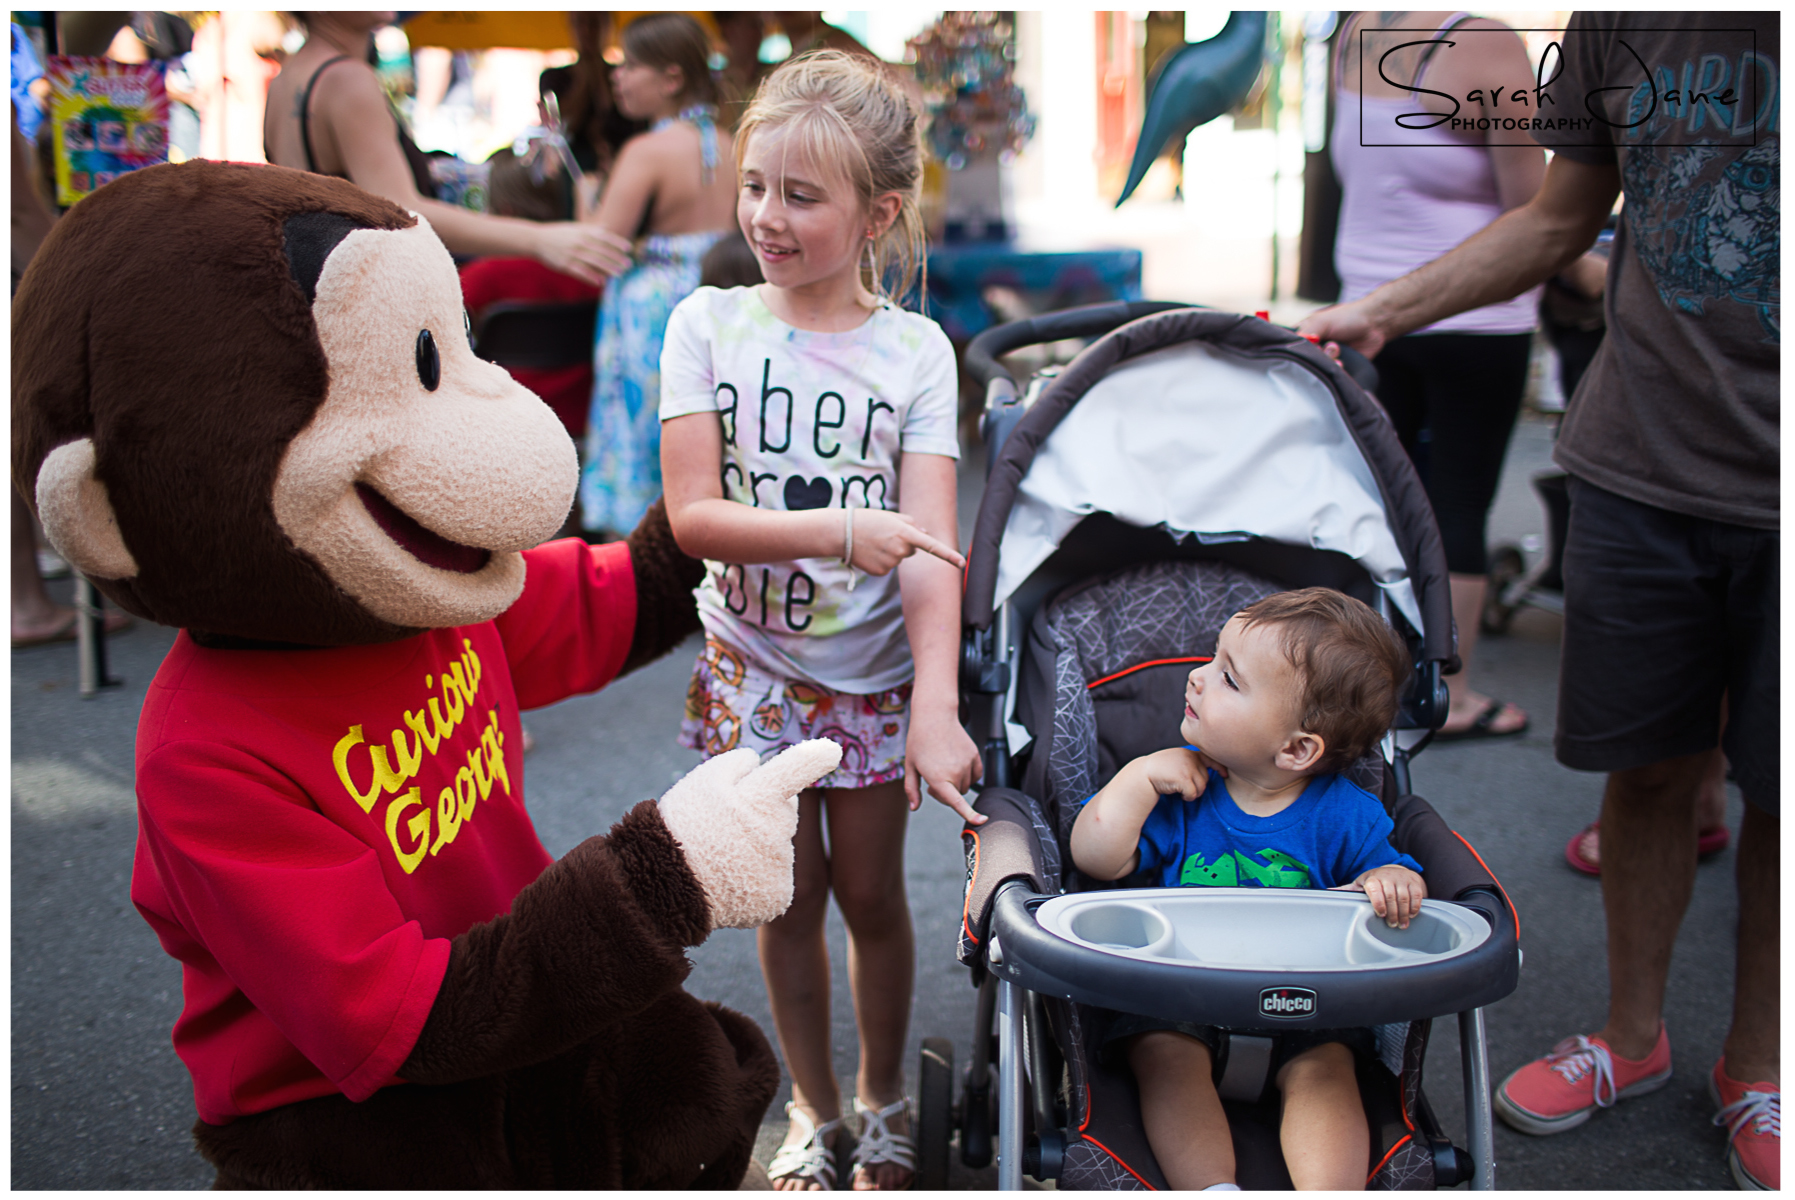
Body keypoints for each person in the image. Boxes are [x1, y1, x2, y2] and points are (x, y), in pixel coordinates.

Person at [1299, 13, 1778, 1190]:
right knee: (1654, 767)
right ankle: (1629, 1037)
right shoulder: (1625, 22)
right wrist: (1387, 308)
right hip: (1640, 459)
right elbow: (1558, 216)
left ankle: (1758, 1064)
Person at [658, 50, 983, 1190]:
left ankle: (883, 1103)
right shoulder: (707, 324)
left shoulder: (917, 353)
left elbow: (934, 552)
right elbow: (693, 515)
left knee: (869, 896)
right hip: (753, 671)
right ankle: (810, 1109)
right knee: (783, 901)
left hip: (877, 681)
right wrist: (844, 531)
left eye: (801, 195)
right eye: (755, 186)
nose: (767, 217)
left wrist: (936, 709)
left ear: (877, 212)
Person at [1071, 589, 1421, 1190]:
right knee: (1163, 1057)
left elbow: (1393, 879)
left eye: (1228, 679)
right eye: (1212, 660)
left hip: (1304, 1002)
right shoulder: (1179, 786)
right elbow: (1095, 859)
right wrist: (1135, 781)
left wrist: (1390, 880)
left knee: (1327, 1071)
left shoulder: (1345, 816)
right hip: (1180, 993)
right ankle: (1212, 1188)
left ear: (1296, 749)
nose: (1197, 677)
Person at [1332, 12, 1544, 741]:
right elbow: (1539, 214)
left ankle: (1358, 676)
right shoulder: (1485, 43)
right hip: (1473, 318)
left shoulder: (1358, 26)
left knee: (1380, 499)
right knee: (1456, 505)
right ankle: (1449, 696)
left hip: (1366, 309)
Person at [262, 12, 628, 287]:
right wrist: (543, 240)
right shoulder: (347, 78)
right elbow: (402, 209)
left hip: (317, 289)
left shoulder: (288, 79)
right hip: (360, 293)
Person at [577, 12, 739, 541]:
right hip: (725, 294)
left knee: (648, 427)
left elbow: (596, 246)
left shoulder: (646, 152)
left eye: (631, 65)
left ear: (670, 78)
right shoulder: (735, 144)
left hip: (654, 308)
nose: (618, 76)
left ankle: (641, 549)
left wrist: (585, 198)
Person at [458, 146, 602, 441]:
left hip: (502, 418)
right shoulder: (590, 273)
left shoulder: (485, 275)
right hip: (578, 420)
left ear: (504, 211)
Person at [538, 11, 646, 179]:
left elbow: (633, 120)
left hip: (621, 163)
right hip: (572, 168)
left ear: (609, 27)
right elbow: (559, 127)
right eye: (580, 23)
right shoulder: (554, 77)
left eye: (595, 23)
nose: (587, 31)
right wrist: (584, 82)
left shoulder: (622, 74)